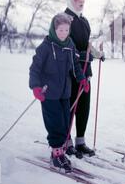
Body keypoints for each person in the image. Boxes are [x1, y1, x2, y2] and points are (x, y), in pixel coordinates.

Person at [29, 13, 89, 173]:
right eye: (60, 30)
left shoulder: (70, 45)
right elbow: (34, 69)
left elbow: (75, 65)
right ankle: (56, 154)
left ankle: (61, 151)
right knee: (55, 124)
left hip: (65, 93)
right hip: (48, 93)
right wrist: (35, 87)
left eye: (66, 30)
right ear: (54, 30)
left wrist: (82, 79)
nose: (63, 33)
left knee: (64, 123)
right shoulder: (46, 47)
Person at [64, 0, 104, 158]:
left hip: (85, 69)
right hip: (71, 70)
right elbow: (65, 42)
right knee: (70, 105)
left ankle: (80, 141)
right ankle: (66, 141)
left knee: (84, 107)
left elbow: (86, 43)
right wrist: (79, 54)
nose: (81, 0)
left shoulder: (84, 20)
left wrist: (97, 53)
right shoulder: (64, 19)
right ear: (69, 0)